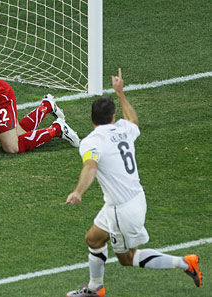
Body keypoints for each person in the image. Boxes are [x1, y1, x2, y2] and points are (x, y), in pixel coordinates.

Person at [64, 69, 202, 297]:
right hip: (128, 199)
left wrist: (78, 191)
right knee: (94, 238)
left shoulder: (92, 141)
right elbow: (134, 121)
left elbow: (90, 167)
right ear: (113, 116)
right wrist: (120, 92)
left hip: (123, 209)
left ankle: (186, 263)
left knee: (127, 259)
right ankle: (95, 289)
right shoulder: (123, 128)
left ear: (92, 118)